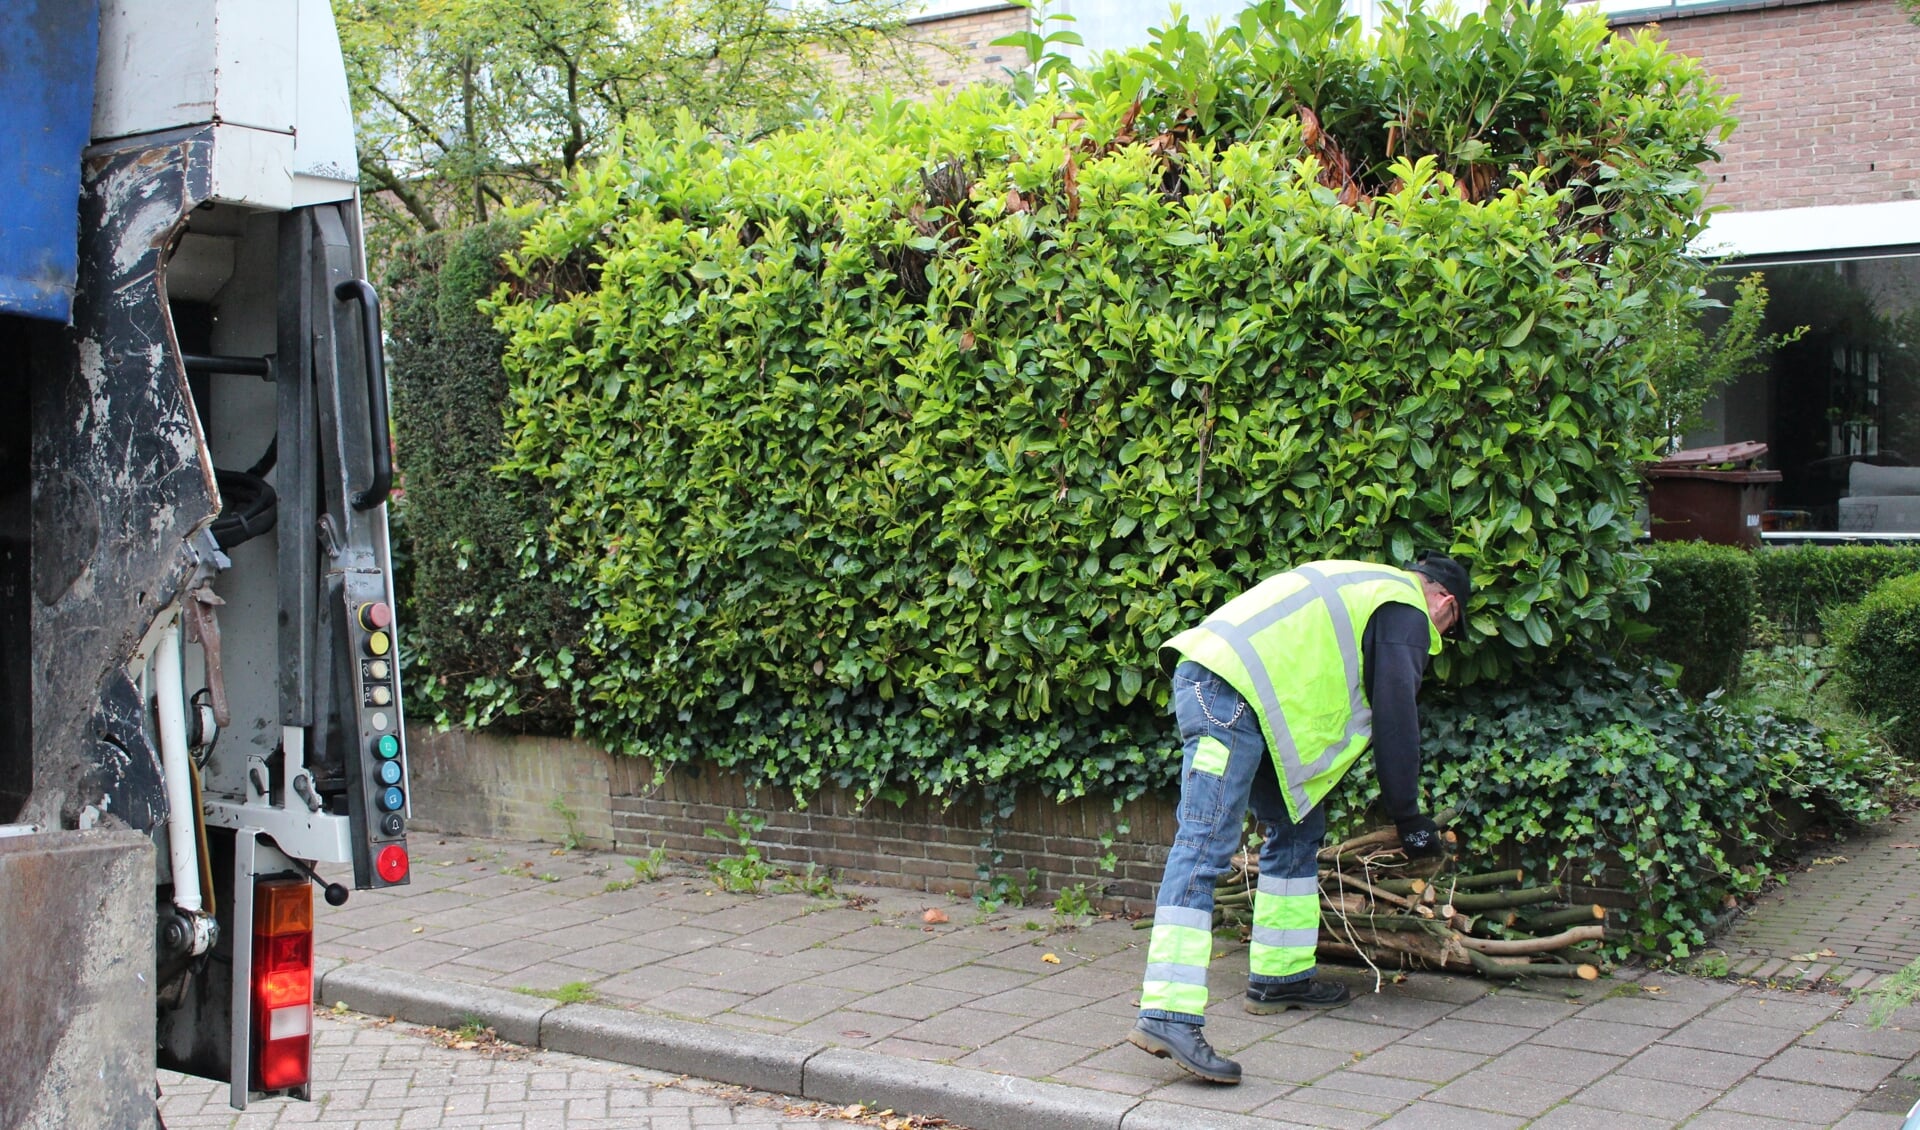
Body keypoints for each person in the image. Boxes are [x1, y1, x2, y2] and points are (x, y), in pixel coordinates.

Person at [1126, 553, 1472, 1085]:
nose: (1437, 638)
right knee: (1204, 843)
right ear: (1445, 603)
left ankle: (1279, 978)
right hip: (1228, 697)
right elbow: (1396, 712)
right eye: (1448, 628)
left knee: (1297, 829)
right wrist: (1408, 817)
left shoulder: (1369, 586)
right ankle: (1166, 1014)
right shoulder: (1404, 607)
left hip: (1239, 697)